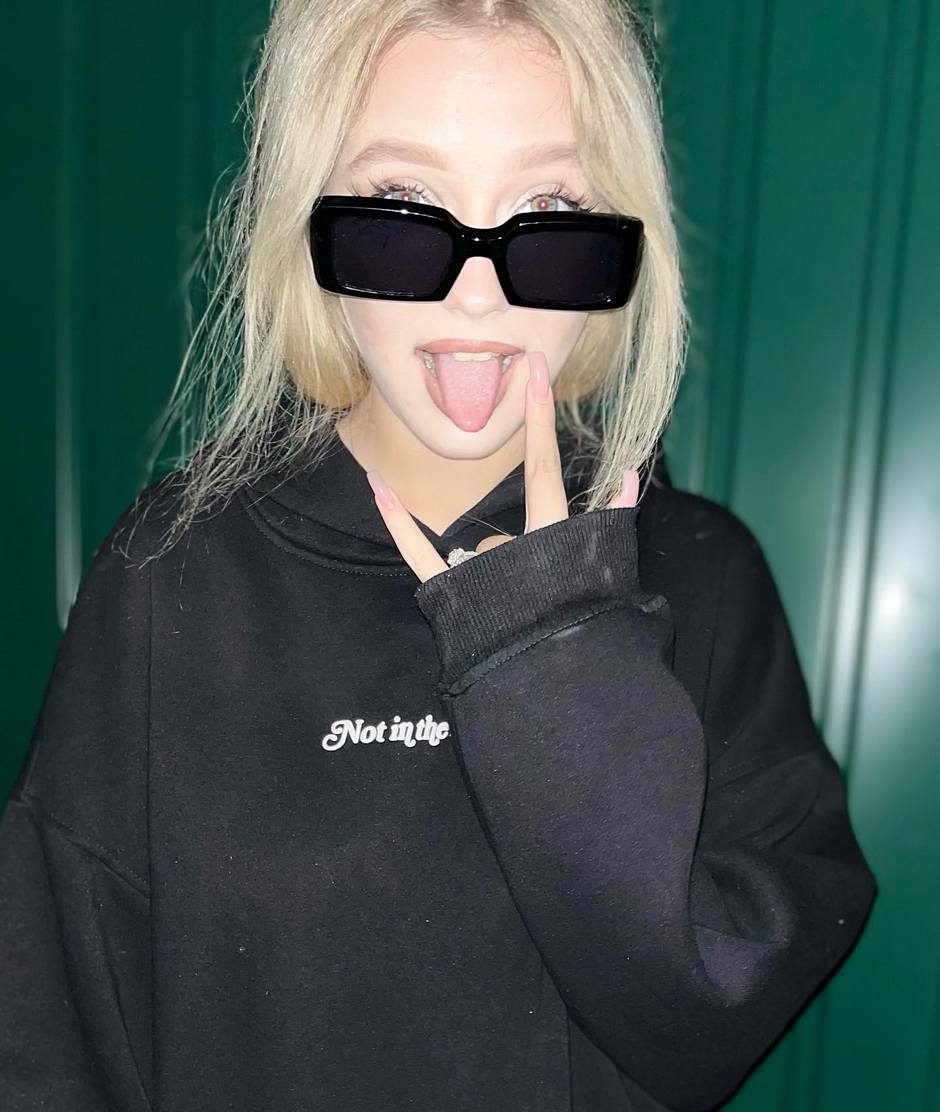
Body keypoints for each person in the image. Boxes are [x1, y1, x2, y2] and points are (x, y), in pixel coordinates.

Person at [0, 2, 878, 1110]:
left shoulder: (704, 575)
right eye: (404, 203)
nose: (479, 290)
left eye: (547, 208)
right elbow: (51, 1034)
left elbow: (702, 1020)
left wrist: (549, 648)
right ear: (305, 222)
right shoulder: (169, 573)